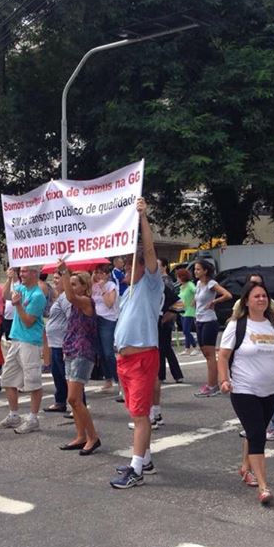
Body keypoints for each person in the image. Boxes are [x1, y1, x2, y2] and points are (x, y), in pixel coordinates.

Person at [217, 279, 274, 505]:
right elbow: (222, 356)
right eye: (256, 296)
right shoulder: (237, 325)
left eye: (264, 296)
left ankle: (245, 467)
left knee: (255, 430)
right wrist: (224, 380)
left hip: (271, 390)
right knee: (258, 435)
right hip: (244, 389)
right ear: (246, 301)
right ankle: (263, 486)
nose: (261, 299)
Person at [111, 198, 164, 489]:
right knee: (135, 411)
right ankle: (145, 459)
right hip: (126, 361)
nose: (125, 268)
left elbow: (151, 250)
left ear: (143, 266)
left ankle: (136, 470)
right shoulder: (128, 292)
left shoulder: (151, 284)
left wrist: (143, 217)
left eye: (130, 264)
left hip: (142, 358)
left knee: (141, 415)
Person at [0, 265, 47, 434]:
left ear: (34, 273)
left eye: (25, 271)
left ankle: (33, 418)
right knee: (8, 379)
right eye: (21, 271)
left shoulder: (38, 295)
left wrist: (18, 306)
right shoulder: (20, 288)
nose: (21, 274)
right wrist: (10, 278)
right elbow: (4, 296)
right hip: (16, 340)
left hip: (30, 342)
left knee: (32, 382)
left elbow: (28, 321)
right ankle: (14, 415)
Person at [57, 265, 101, 454]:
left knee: (74, 398)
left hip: (82, 352)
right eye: (71, 283)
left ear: (84, 287)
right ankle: (80, 435)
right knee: (73, 401)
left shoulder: (86, 301)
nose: (71, 287)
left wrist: (65, 273)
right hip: (71, 350)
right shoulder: (75, 304)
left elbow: (70, 296)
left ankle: (93, 437)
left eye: (75, 284)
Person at [192, 260, 232, 398]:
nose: (195, 271)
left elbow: (227, 295)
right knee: (205, 353)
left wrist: (215, 301)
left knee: (210, 355)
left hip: (209, 321)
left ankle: (212, 385)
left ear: (205, 271)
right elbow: (197, 300)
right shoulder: (198, 284)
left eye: (198, 269)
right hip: (199, 320)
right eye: (195, 269)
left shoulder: (211, 284)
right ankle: (212, 383)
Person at [43, 273, 70, 412]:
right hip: (54, 342)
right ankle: (60, 401)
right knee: (57, 374)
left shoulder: (66, 298)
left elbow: (71, 319)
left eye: (58, 278)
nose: (55, 281)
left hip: (62, 343)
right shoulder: (59, 297)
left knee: (67, 375)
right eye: (53, 278)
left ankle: (76, 404)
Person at [92, 264, 120, 395]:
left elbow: (109, 303)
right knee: (100, 352)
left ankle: (119, 379)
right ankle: (107, 379)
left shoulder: (111, 286)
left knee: (108, 352)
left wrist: (103, 288)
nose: (98, 276)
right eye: (96, 272)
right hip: (95, 319)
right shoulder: (92, 286)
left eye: (101, 273)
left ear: (107, 274)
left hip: (108, 319)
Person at [158, 276, 184, 384]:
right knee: (163, 349)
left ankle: (166, 376)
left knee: (164, 348)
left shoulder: (162, 288)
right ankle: (164, 375)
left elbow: (180, 304)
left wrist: (168, 315)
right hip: (153, 322)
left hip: (162, 323)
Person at [175, 267, 198, 355]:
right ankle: (187, 349)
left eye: (178, 277)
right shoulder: (182, 287)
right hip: (183, 311)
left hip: (190, 311)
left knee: (186, 330)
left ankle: (195, 347)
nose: (177, 279)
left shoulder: (190, 284)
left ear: (183, 277)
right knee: (185, 331)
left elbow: (197, 291)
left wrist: (194, 300)